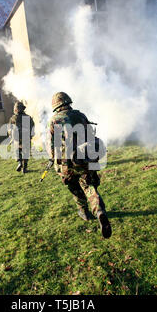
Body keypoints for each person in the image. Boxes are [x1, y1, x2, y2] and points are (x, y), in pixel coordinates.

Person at [48, 92, 112, 239]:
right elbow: (91, 135)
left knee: (75, 188)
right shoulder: (80, 115)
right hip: (85, 159)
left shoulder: (54, 120)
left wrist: (54, 162)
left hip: (67, 164)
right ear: (68, 102)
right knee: (89, 187)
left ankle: (83, 211)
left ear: (55, 105)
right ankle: (99, 211)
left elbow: (51, 147)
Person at [8, 101, 35, 174]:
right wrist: (31, 135)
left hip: (16, 138)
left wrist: (11, 136)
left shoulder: (13, 118)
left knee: (17, 151)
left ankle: (19, 162)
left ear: (15, 109)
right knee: (26, 153)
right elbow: (32, 126)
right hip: (26, 137)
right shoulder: (28, 117)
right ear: (23, 109)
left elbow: (9, 128)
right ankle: (24, 169)